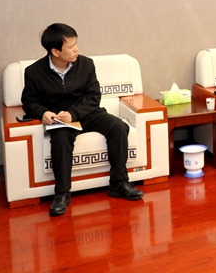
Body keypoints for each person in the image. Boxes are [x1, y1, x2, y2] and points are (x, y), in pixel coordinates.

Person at [21, 23, 143, 216]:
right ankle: (62, 193)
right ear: (55, 51)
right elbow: (29, 102)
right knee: (61, 139)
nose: (76, 49)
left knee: (118, 127)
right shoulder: (34, 72)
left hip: (87, 113)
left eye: (76, 44)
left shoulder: (86, 64)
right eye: (71, 46)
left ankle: (119, 183)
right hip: (61, 120)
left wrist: (74, 113)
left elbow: (94, 96)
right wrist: (43, 113)